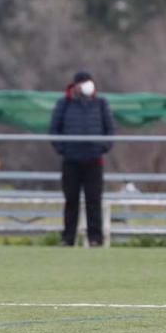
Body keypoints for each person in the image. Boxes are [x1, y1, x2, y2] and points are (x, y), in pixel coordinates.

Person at [49, 70, 114, 247]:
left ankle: (95, 238)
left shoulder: (100, 104)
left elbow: (110, 130)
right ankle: (68, 238)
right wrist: (63, 149)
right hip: (71, 161)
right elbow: (54, 129)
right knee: (71, 201)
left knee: (94, 201)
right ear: (75, 85)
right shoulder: (64, 104)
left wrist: (102, 148)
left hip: (94, 161)